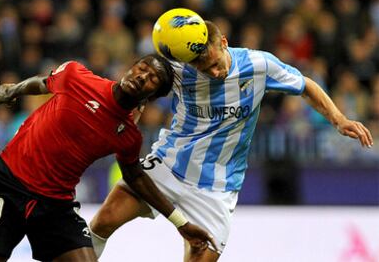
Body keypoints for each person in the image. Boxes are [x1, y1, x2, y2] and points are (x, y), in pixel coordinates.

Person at [89, 20, 374, 262]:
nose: (213, 73)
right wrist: (131, 111)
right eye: (204, 69)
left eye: (214, 64)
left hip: (216, 189)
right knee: (102, 222)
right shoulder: (179, 71)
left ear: (224, 42)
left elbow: (305, 85)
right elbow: (138, 89)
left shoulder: (258, 64)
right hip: (167, 165)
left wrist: (339, 119)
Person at [0, 54, 216, 262]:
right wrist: (15, 89)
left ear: (152, 97)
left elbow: (135, 176)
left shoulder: (128, 136)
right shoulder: (77, 76)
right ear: (130, 68)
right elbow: (44, 82)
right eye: (142, 68)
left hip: (55, 204)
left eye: (153, 79)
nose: (142, 76)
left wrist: (180, 223)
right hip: (8, 184)